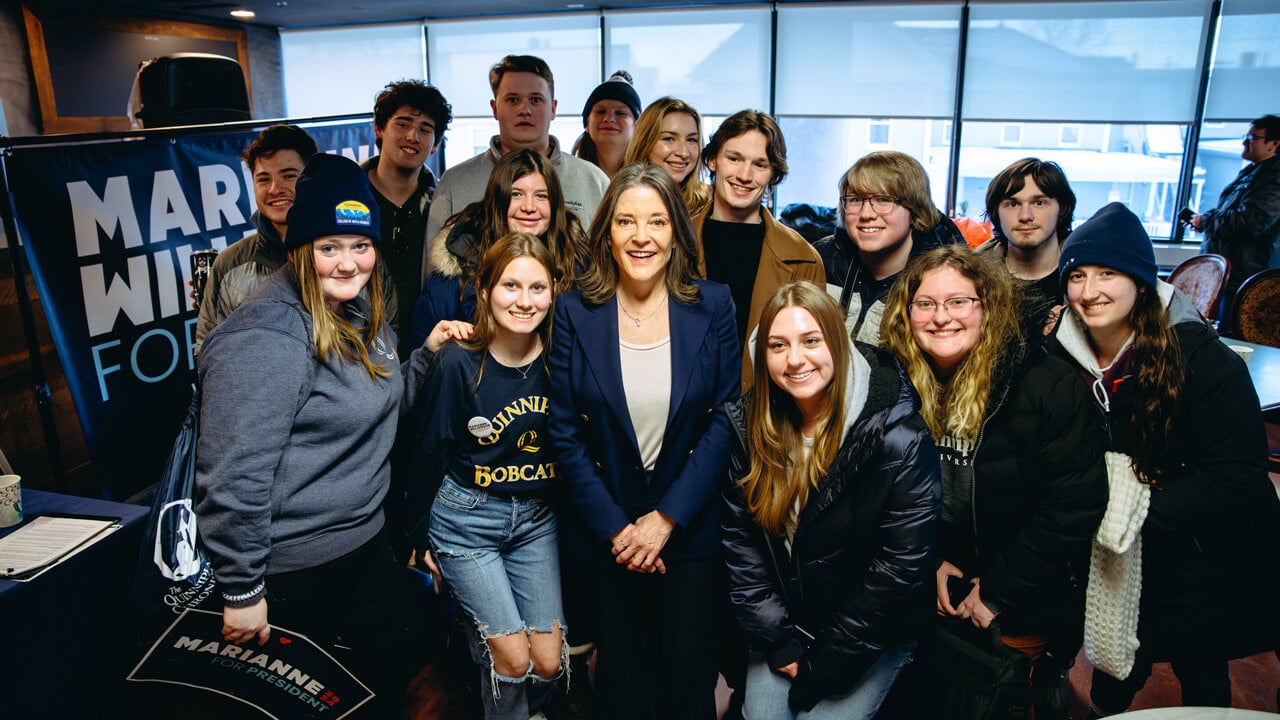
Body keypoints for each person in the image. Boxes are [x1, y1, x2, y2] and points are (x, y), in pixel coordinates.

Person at [196, 153, 429, 717]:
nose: (349, 263)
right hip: (293, 573)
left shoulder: (352, 309)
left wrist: (427, 360)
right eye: (329, 248)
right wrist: (242, 591)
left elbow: (374, 403)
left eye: (360, 245)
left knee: (398, 678)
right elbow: (233, 476)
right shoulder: (267, 334)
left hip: (364, 546)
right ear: (301, 249)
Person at [1046, 202, 1280, 716]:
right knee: (1115, 671)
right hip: (1115, 559)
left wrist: (1123, 504)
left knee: (1202, 673)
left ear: (1140, 281)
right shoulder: (1059, 355)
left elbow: (1239, 480)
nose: (1090, 291)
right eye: (1077, 275)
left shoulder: (1203, 361)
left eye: (1108, 273)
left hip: (1203, 551)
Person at [879, 246, 1108, 719]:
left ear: (988, 307)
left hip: (1025, 581)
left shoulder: (1047, 385)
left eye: (958, 301)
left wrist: (996, 591)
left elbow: (1073, 508)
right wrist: (933, 560)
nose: (941, 317)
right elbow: (885, 495)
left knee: (993, 694)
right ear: (907, 314)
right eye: (925, 304)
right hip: (933, 570)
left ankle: (1047, 678)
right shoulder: (892, 382)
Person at [547, 163, 739, 720]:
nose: (641, 236)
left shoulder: (714, 303)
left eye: (656, 221)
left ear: (676, 231)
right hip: (609, 538)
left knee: (687, 685)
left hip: (688, 533)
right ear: (607, 230)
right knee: (621, 688)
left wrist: (666, 520)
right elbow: (564, 431)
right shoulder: (572, 311)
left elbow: (725, 420)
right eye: (626, 221)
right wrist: (620, 529)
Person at [721, 281, 941, 719]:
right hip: (788, 622)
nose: (795, 359)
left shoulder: (900, 438)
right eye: (778, 345)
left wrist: (822, 668)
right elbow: (742, 547)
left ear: (838, 345)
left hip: (869, 634)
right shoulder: (752, 431)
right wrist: (780, 640)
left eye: (810, 341)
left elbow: (898, 571)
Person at [409, 233, 564, 720]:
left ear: (554, 291)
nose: (524, 301)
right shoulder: (458, 361)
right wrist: (417, 538)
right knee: (512, 660)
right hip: (466, 518)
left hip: (537, 519)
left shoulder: (562, 359)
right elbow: (427, 449)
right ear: (485, 288)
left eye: (537, 288)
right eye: (510, 286)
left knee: (547, 660)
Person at [692, 109, 824, 392]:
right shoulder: (673, 242)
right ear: (713, 160)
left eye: (760, 164)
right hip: (684, 414)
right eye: (734, 158)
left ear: (774, 175)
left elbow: (813, 356)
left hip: (765, 414)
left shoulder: (804, 259)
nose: (744, 175)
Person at [411, 148, 588, 346]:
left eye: (541, 196)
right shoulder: (450, 281)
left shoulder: (581, 270)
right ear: (497, 200)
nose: (529, 207)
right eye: (516, 194)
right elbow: (421, 361)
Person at [427, 55, 609, 244]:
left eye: (536, 100)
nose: (525, 109)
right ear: (494, 108)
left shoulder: (593, 181)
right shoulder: (455, 184)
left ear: (553, 108)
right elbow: (434, 268)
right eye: (513, 100)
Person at [812, 151, 965, 345]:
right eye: (856, 200)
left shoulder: (946, 278)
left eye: (883, 200)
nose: (866, 213)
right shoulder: (819, 260)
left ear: (915, 208)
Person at [194, 124, 317, 352]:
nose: (274, 189)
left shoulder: (351, 256)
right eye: (263, 179)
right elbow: (208, 353)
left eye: (288, 176)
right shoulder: (230, 263)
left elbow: (380, 347)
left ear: (312, 178)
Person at [362, 79, 453, 358]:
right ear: (379, 129)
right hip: (360, 352)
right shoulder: (349, 204)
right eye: (402, 124)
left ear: (435, 145)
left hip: (427, 352)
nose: (413, 136)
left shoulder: (444, 207)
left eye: (425, 130)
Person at [1191, 114, 1280, 324]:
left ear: (1274, 144)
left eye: (1252, 137)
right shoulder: (1254, 172)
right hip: (1229, 275)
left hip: (1246, 278)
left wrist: (1205, 221)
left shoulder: (1274, 176)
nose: (1244, 142)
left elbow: (1251, 222)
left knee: (1234, 340)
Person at [977, 157, 1077, 336]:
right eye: (1013, 204)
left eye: (1039, 203)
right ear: (996, 212)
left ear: (1061, 209)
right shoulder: (972, 276)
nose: (1025, 216)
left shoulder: (1087, 274)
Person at [624, 96, 711, 216]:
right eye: (669, 139)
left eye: (691, 140)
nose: (683, 153)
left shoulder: (711, 204)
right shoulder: (621, 200)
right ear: (644, 142)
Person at [573, 71, 641, 179]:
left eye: (620, 113)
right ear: (587, 123)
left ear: (637, 126)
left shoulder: (650, 177)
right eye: (601, 111)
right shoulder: (568, 175)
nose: (609, 119)